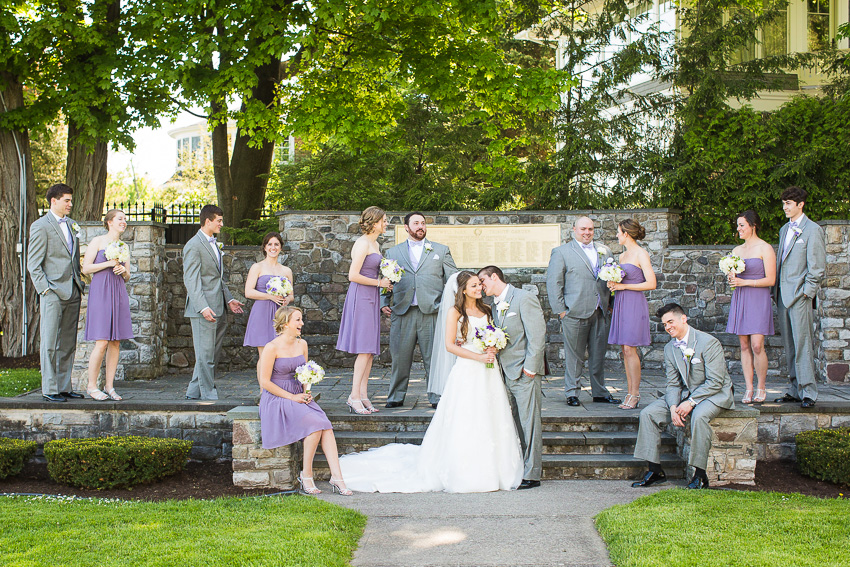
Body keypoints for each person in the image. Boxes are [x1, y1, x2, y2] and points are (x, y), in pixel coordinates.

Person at [340, 271, 524, 493]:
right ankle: (466, 469)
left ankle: (497, 466)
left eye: (479, 285)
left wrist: (493, 346)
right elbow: (450, 345)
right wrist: (478, 356)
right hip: (468, 368)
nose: (479, 289)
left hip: (488, 369)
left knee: (491, 414)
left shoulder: (486, 309)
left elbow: (491, 333)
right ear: (463, 290)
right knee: (467, 416)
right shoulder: (454, 312)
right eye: (474, 286)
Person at [632, 303, 734, 490]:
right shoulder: (670, 348)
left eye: (670, 322)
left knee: (699, 416)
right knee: (648, 414)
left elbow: (716, 381)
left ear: (683, 318)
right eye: (664, 324)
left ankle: (700, 474)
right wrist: (672, 408)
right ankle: (655, 470)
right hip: (686, 393)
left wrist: (691, 402)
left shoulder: (708, 342)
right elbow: (672, 383)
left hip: (714, 393)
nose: (668, 327)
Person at [259, 306, 352, 496]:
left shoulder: (302, 344)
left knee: (326, 425)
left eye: (301, 320)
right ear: (285, 324)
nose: (302, 323)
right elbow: (265, 382)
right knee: (317, 424)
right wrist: (292, 397)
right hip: (277, 398)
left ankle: (337, 477)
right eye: (298, 320)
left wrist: (306, 391)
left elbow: (305, 374)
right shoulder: (271, 347)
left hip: (299, 394)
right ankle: (306, 474)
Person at [478, 266, 546, 489]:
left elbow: (537, 336)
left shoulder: (524, 299)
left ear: (494, 277)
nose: (481, 286)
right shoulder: (493, 306)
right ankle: (518, 467)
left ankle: (532, 474)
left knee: (530, 425)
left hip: (524, 373)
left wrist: (530, 369)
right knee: (513, 424)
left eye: (483, 281)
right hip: (503, 374)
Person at [381, 212, 457, 408]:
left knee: (433, 358)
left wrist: (454, 306)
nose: (420, 226)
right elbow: (386, 280)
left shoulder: (441, 250)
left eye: (423, 223)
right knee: (399, 358)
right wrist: (383, 301)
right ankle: (396, 397)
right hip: (402, 311)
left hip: (432, 311)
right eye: (416, 223)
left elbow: (454, 279)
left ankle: (437, 397)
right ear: (406, 227)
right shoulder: (393, 253)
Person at [546, 216, 621, 406]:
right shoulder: (561, 252)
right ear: (574, 230)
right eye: (583, 229)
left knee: (598, 355)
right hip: (574, 312)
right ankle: (572, 392)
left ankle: (600, 392)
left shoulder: (605, 251)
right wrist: (561, 311)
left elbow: (611, 279)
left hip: (601, 311)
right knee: (575, 356)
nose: (587, 232)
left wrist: (610, 303)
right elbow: (554, 283)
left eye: (590, 229)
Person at [27, 183, 86, 403]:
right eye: (67, 200)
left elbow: (74, 258)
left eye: (71, 200)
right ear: (54, 201)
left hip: (72, 290)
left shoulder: (72, 225)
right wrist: (45, 290)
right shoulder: (40, 226)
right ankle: (49, 388)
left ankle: (63, 386)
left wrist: (79, 282)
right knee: (50, 342)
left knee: (68, 343)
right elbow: (33, 264)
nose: (71, 204)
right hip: (52, 292)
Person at [183, 205, 244, 400]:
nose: (221, 224)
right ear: (208, 221)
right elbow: (191, 280)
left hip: (219, 306)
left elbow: (216, 278)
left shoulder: (213, 244)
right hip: (204, 309)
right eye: (218, 220)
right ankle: (208, 395)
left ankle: (193, 391)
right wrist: (202, 307)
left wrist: (230, 300)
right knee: (206, 355)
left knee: (210, 354)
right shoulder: (193, 245)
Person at [336, 207, 392, 414]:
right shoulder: (362, 243)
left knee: (369, 351)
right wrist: (379, 283)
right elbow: (352, 275)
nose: (386, 223)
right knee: (364, 349)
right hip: (361, 297)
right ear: (374, 221)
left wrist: (385, 283)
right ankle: (353, 396)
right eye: (384, 220)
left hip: (371, 297)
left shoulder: (375, 243)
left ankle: (364, 395)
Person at [773, 186, 825, 408]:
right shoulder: (785, 229)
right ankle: (794, 389)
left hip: (800, 296)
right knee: (789, 345)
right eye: (783, 203)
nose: (784, 207)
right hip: (783, 296)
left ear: (800, 204)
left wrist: (807, 292)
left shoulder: (812, 230)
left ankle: (809, 392)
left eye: (788, 203)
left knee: (804, 345)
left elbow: (818, 267)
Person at [81, 209, 133, 401]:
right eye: (120, 219)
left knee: (115, 341)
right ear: (109, 222)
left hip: (118, 291)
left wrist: (122, 270)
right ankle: (91, 386)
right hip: (101, 291)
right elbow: (86, 268)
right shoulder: (98, 241)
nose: (124, 222)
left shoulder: (123, 246)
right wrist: (109, 263)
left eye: (125, 219)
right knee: (102, 341)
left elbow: (127, 276)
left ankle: (109, 386)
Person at [725, 210, 776, 405]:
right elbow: (733, 276)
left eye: (741, 225)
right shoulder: (737, 251)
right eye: (737, 225)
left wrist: (745, 283)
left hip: (758, 297)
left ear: (753, 225)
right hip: (741, 298)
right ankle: (748, 388)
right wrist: (732, 278)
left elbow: (771, 279)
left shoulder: (765, 248)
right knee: (744, 345)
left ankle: (761, 387)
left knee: (757, 345)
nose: (738, 229)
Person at [606, 219, 656, 410]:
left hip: (634, 303)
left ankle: (634, 394)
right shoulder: (622, 256)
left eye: (618, 232)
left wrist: (623, 285)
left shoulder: (641, 254)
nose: (617, 235)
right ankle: (629, 392)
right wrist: (612, 285)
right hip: (621, 302)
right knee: (624, 350)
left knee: (630, 349)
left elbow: (651, 283)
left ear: (626, 233)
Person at [243, 232, 294, 367]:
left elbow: (291, 295)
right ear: (265, 247)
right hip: (262, 312)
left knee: (281, 354)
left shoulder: (286, 270)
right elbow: (248, 292)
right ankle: (263, 389)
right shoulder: (257, 267)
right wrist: (270, 296)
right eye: (270, 244)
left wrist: (286, 300)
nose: (273, 247)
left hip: (280, 313)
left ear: (281, 248)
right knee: (264, 355)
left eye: (276, 244)